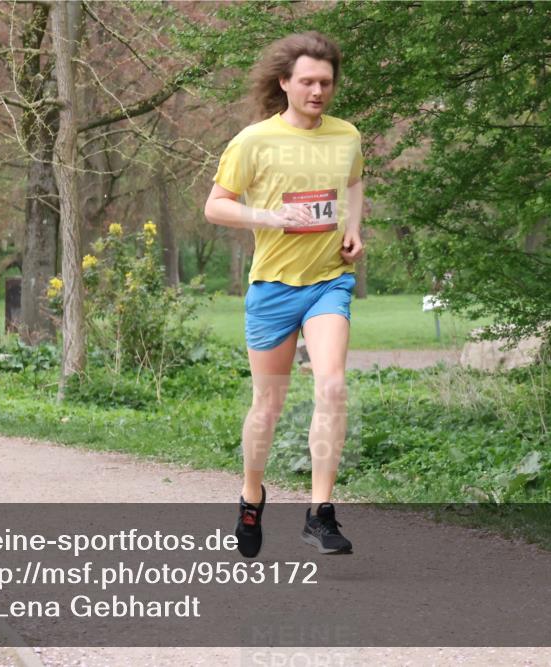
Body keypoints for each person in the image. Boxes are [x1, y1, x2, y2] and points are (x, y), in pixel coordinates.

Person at [204, 32, 365, 557]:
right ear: (285, 83)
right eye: (308, 82)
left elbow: (355, 182)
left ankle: (320, 513)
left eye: (326, 82)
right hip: (273, 288)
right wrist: (268, 216)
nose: (318, 91)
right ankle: (252, 497)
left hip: (327, 282)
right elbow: (216, 206)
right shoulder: (254, 141)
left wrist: (353, 228)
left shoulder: (346, 136)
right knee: (267, 406)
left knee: (334, 385)